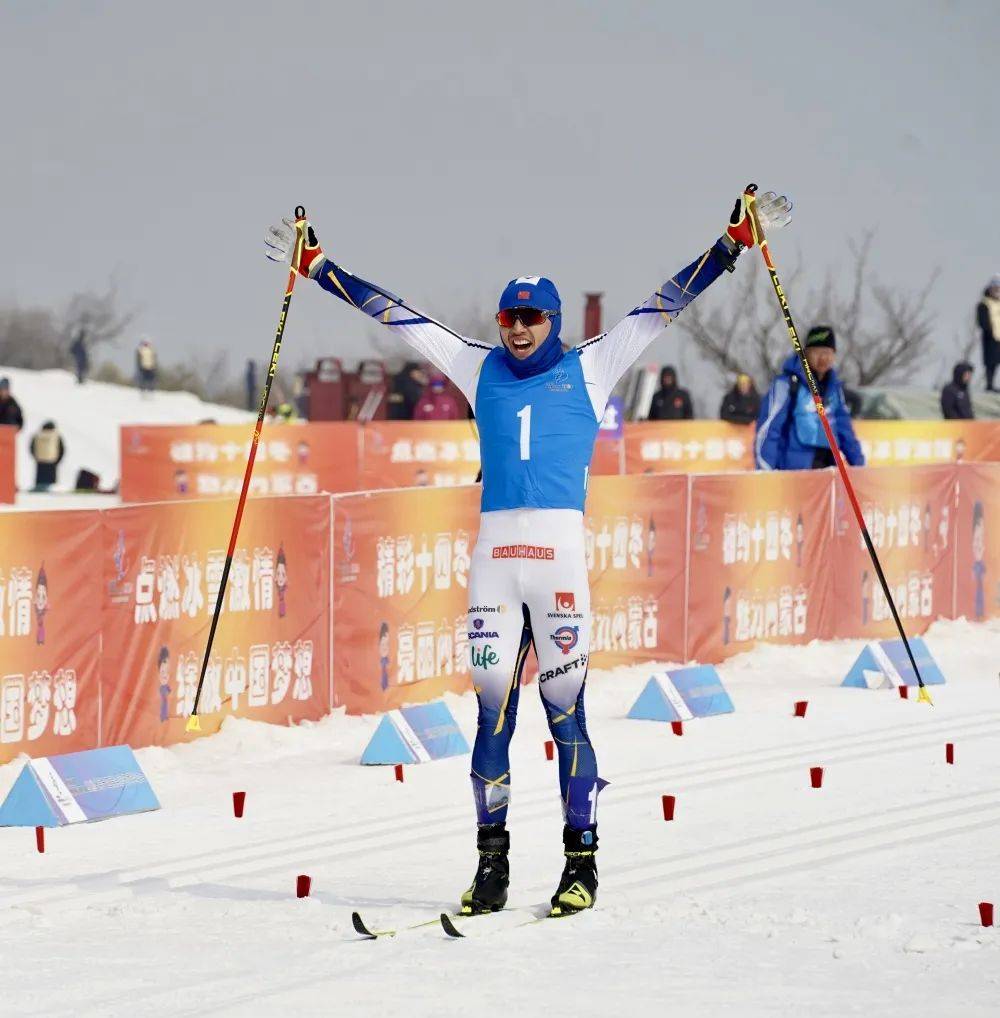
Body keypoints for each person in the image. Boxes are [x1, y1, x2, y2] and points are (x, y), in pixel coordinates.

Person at [265, 187, 792, 916]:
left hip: (559, 571)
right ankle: (492, 869)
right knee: (490, 722)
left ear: (554, 321)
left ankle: (582, 865)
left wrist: (731, 245)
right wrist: (321, 268)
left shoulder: (591, 366)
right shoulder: (474, 364)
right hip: (494, 570)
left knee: (566, 718)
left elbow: (665, 304)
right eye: (508, 317)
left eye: (530, 318)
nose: (517, 330)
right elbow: (399, 318)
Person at [755, 325, 865, 470]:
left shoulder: (835, 390)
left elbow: (845, 431)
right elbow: (769, 428)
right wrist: (765, 470)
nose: (823, 358)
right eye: (817, 352)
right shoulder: (787, 384)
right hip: (793, 471)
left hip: (826, 469)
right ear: (806, 353)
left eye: (828, 353)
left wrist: (860, 466)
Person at [976, 275, 1000, 391]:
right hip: (990, 338)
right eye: (995, 288)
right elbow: (982, 321)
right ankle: (989, 385)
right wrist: (988, 330)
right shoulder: (984, 303)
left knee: (997, 362)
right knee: (991, 362)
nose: (997, 291)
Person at [30, 420, 65, 490]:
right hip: (52, 460)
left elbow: (32, 447)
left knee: (41, 477)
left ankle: (39, 488)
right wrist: (58, 460)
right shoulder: (56, 435)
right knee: (51, 480)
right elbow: (61, 449)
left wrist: (36, 457)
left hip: (40, 460)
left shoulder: (37, 434)